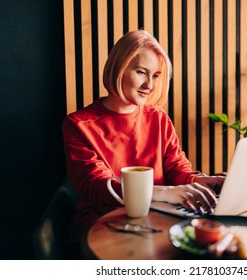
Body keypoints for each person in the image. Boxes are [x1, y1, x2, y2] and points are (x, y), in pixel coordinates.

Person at [62, 29, 225, 241]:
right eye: (141, 72)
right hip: (103, 229)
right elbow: (99, 186)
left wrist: (204, 182)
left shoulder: (158, 118)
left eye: (155, 76)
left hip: (156, 223)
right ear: (118, 69)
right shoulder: (78, 125)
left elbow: (177, 169)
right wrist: (165, 192)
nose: (149, 85)